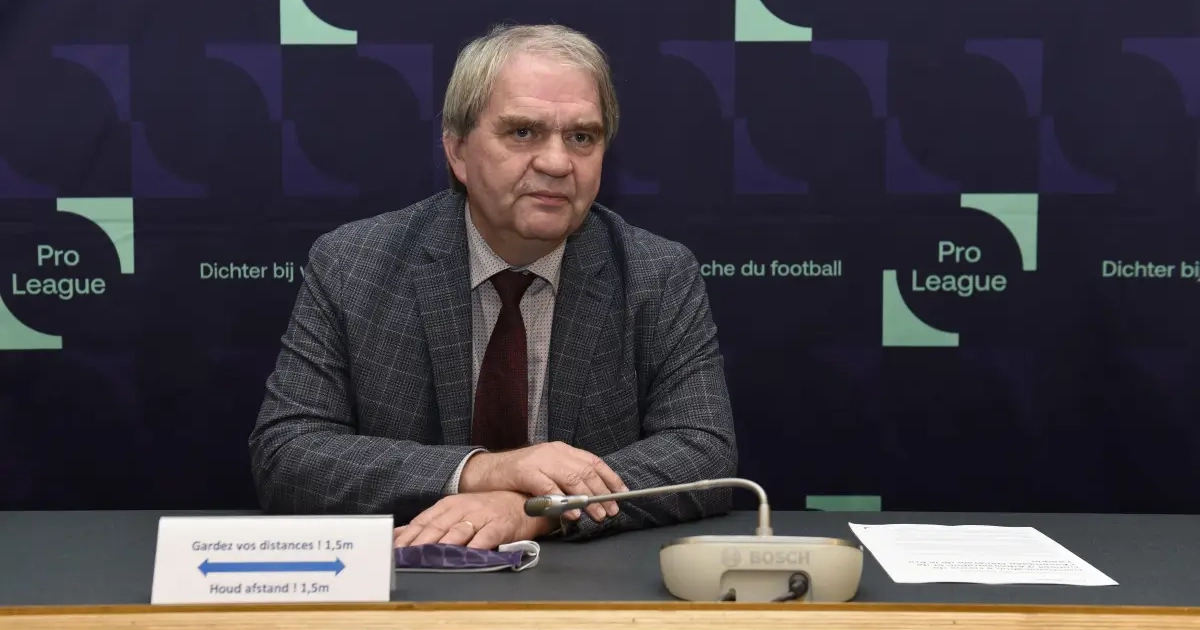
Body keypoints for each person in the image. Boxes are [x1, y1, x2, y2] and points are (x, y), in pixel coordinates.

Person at [248, 23, 737, 549]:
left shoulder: (656, 273)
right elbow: (287, 454)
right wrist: (483, 471)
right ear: (457, 151)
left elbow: (702, 450)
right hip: (412, 580)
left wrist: (538, 509)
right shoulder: (354, 264)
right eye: (523, 132)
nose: (557, 163)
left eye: (582, 137)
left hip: (588, 585)